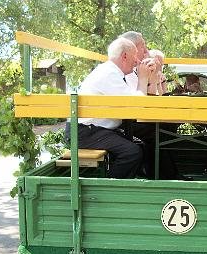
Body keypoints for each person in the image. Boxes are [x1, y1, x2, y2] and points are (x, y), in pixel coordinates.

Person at [67, 37, 177, 180]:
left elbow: (132, 102)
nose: (137, 61)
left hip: (94, 129)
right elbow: (134, 107)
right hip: (84, 132)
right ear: (124, 56)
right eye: (134, 56)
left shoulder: (113, 73)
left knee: (141, 146)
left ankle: (153, 179)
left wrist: (146, 79)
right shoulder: (108, 74)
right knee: (132, 152)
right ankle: (108, 191)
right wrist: (143, 78)